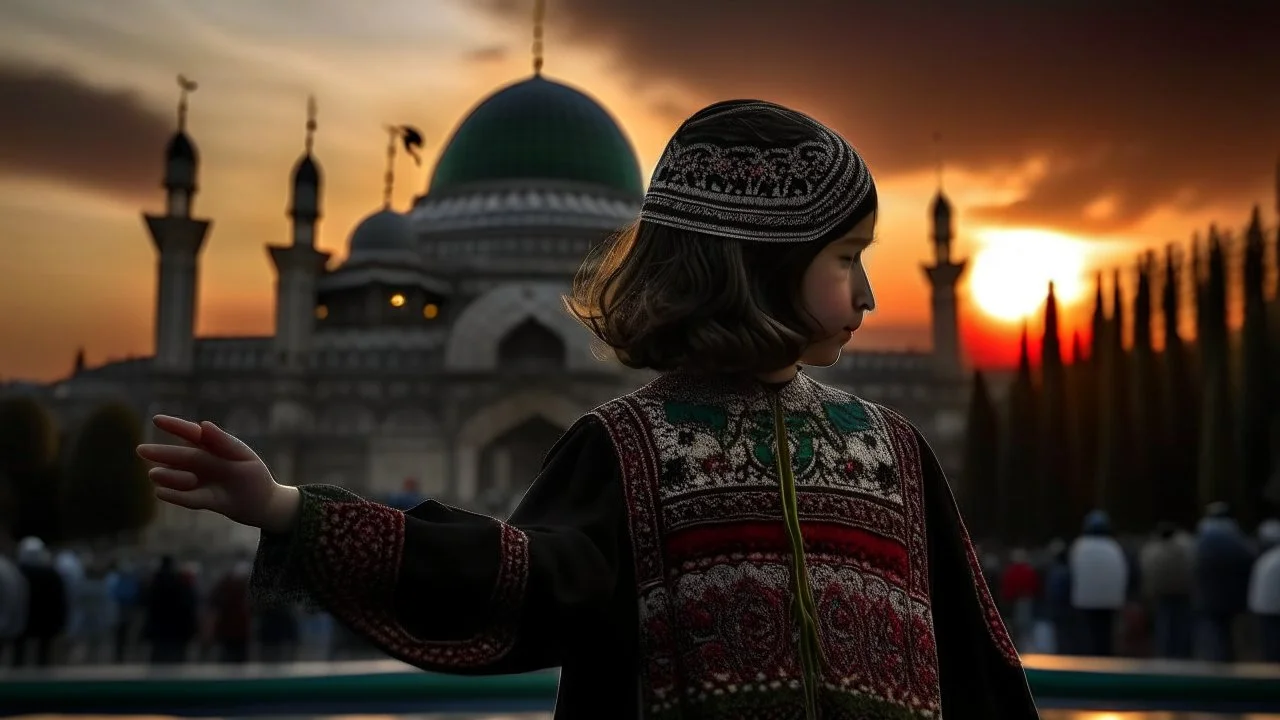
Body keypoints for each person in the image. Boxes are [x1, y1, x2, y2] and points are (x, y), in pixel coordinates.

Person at [136, 100, 1039, 719]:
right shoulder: (631, 446)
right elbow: (512, 579)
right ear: (752, 266)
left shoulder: (891, 449)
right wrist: (290, 510)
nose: (870, 293)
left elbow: (982, 670)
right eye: (845, 259)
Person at [1067, 510, 1128, 657]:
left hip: (1084, 601)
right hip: (1111, 601)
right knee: (1105, 636)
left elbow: (1071, 572)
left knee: (1088, 636)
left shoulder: (1079, 546)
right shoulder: (1114, 547)